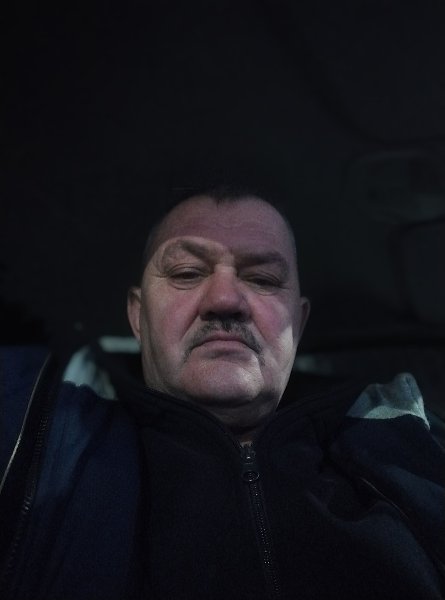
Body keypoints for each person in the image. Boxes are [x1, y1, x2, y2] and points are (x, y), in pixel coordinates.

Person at [0, 186, 444, 600]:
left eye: (263, 279)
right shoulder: (37, 427)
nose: (225, 300)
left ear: (299, 322)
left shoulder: (413, 443)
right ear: (137, 316)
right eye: (187, 273)